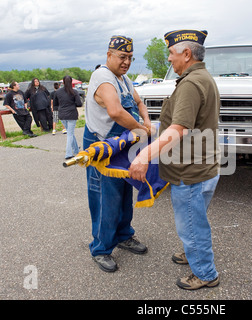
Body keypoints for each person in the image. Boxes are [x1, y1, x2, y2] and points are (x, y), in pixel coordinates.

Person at [129, 30, 221, 290]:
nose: (169, 58)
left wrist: (145, 155)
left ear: (187, 54)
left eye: (171, 53)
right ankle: (193, 255)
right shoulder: (201, 77)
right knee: (195, 218)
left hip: (190, 170)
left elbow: (178, 129)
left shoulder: (192, 83)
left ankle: (205, 273)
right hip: (202, 166)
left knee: (191, 224)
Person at [83, 35, 152, 272]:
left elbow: (139, 102)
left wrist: (147, 120)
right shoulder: (102, 76)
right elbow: (114, 111)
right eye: (122, 57)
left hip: (123, 144)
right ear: (109, 55)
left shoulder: (124, 79)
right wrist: (142, 130)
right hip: (102, 145)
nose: (127, 62)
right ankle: (101, 248)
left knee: (124, 194)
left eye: (131, 58)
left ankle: (123, 235)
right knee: (105, 198)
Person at [53, 76, 83, 159]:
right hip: (72, 114)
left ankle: (76, 150)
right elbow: (79, 104)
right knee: (70, 134)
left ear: (63, 82)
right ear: (71, 82)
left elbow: (55, 103)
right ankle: (68, 154)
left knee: (70, 133)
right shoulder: (74, 92)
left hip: (62, 114)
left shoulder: (58, 92)